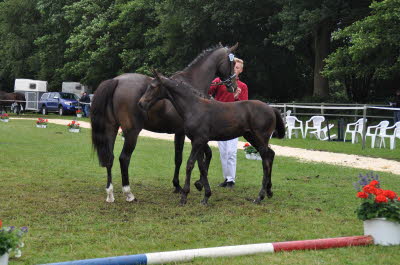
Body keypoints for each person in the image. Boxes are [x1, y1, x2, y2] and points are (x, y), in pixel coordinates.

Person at [208, 58, 248, 188]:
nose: (235, 70)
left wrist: (237, 97)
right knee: (223, 152)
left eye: (237, 68)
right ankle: (226, 178)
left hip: (233, 121)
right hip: (219, 119)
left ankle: (231, 179)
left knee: (231, 152)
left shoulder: (242, 86)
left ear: (240, 71)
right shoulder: (219, 81)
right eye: (234, 67)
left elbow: (244, 106)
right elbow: (208, 91)